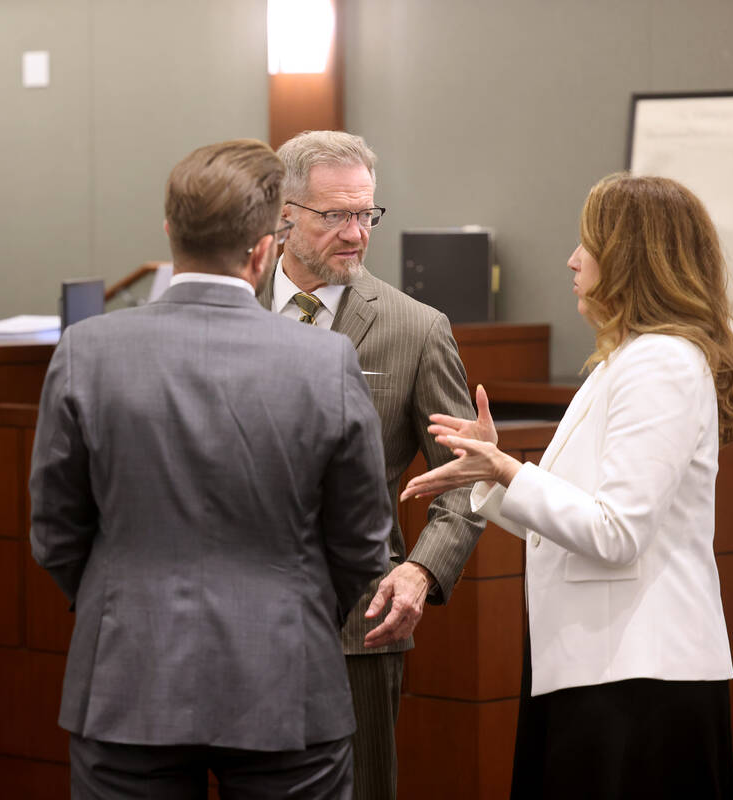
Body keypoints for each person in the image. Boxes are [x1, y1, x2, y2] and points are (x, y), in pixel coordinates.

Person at [29, 138, 394, 799]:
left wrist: (121, 601)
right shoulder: (325, 363)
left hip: (126, 678)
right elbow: (363, 543)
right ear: (263, 248)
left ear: (170, 231)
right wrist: (298, 605)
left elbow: (55, 529)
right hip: (288, 680)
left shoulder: (87, 351)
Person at [401, 173, 733, 799]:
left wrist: (507, 469)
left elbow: (617, 532)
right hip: (604, 667)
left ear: (631, 257)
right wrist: (495, 470)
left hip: (640, 681)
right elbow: (580, 510)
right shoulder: (629, 358)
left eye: (586, 242)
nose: (570, 259)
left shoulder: (661, 363)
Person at [258, 129, 484, 798]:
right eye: (336, 215)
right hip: (232, 620)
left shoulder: (416, 329)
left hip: (361, 623)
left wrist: (420, 571)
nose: (356, 232)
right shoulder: (229, 310)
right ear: (284, 213)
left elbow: (466, 479)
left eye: (367, 214)